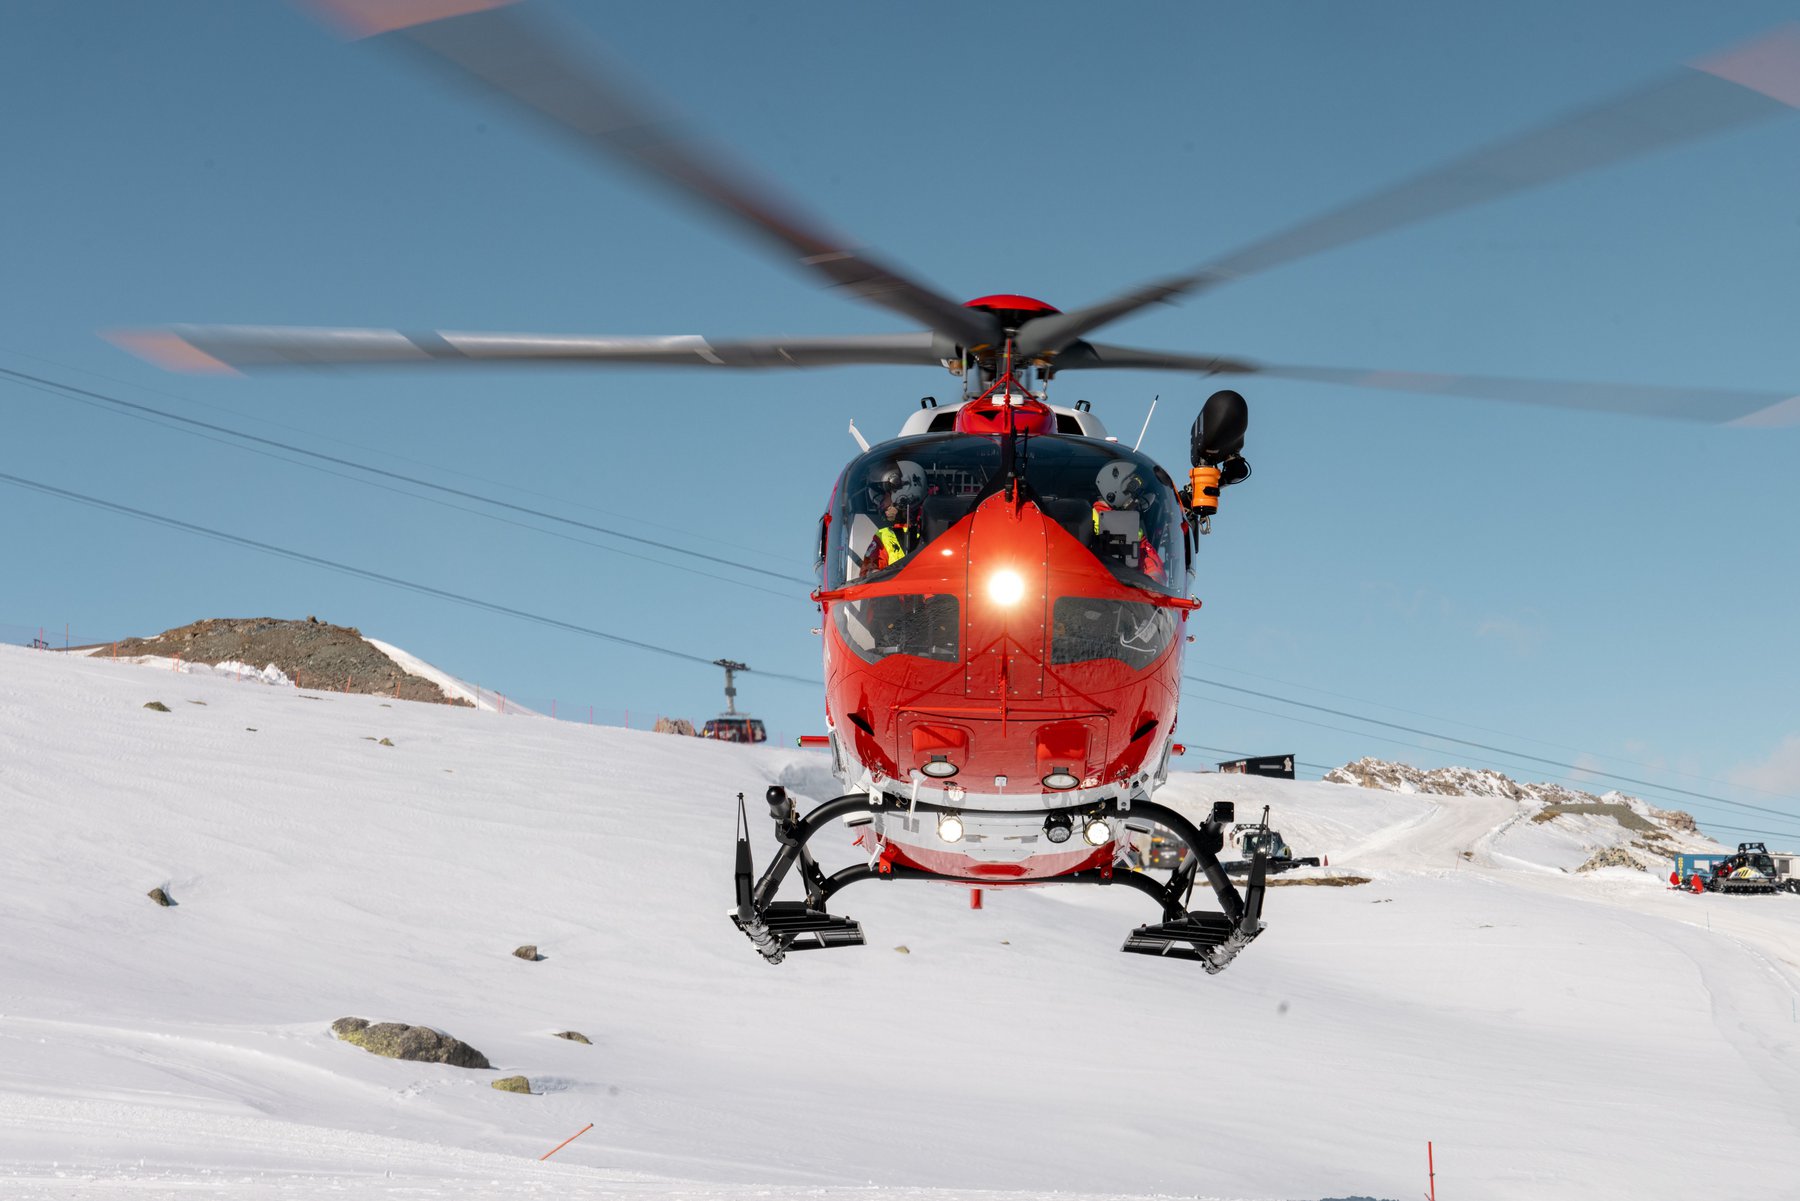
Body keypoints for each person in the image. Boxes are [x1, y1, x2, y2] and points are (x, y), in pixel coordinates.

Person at [1090, 461, 1166, 581]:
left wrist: (1154, 580)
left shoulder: (1131, 528)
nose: (1137, 505)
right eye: (1136, 498)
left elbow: (1153, 567)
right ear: (1117, 489)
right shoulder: (1080, 519)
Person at [861, 460, 925, 575]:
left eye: (882, 498)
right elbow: (867, 576)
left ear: (902, 492)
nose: (880, 505)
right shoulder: (884, 537)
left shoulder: (937, 526)